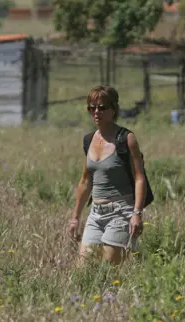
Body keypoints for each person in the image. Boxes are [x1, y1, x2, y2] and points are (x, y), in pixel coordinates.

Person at [67, 85, 146, 266]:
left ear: (113, 109)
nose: (96, 112)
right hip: (96, 212)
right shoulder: (89, 140)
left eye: (102, 108)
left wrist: (136, 213)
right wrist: (75, 218)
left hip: (121, 211)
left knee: (108, 271)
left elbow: (139, 177)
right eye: (92, 108)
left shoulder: (126, 139)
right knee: (83, 269)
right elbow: (85, 181)